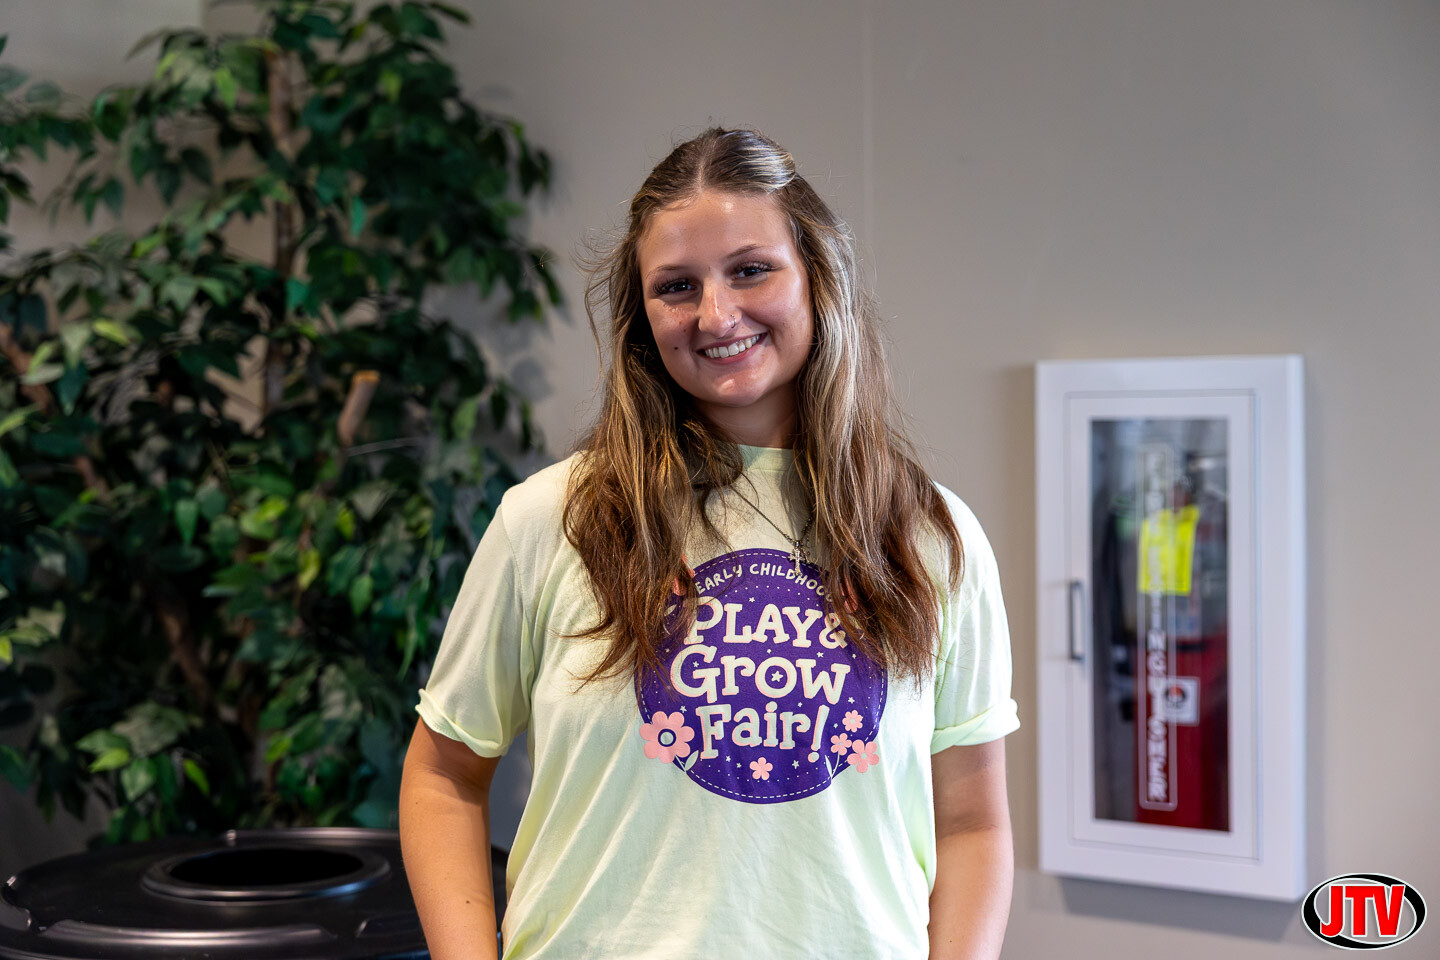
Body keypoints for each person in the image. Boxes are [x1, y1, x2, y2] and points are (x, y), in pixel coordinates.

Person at [399, 126, 1020, 960]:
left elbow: (973, 824)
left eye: (751, 269)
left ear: (818, 278)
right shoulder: (550, 519)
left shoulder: (926, 536)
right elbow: (443, 774)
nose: (717, 315)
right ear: (641, 314)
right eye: (676, 286)